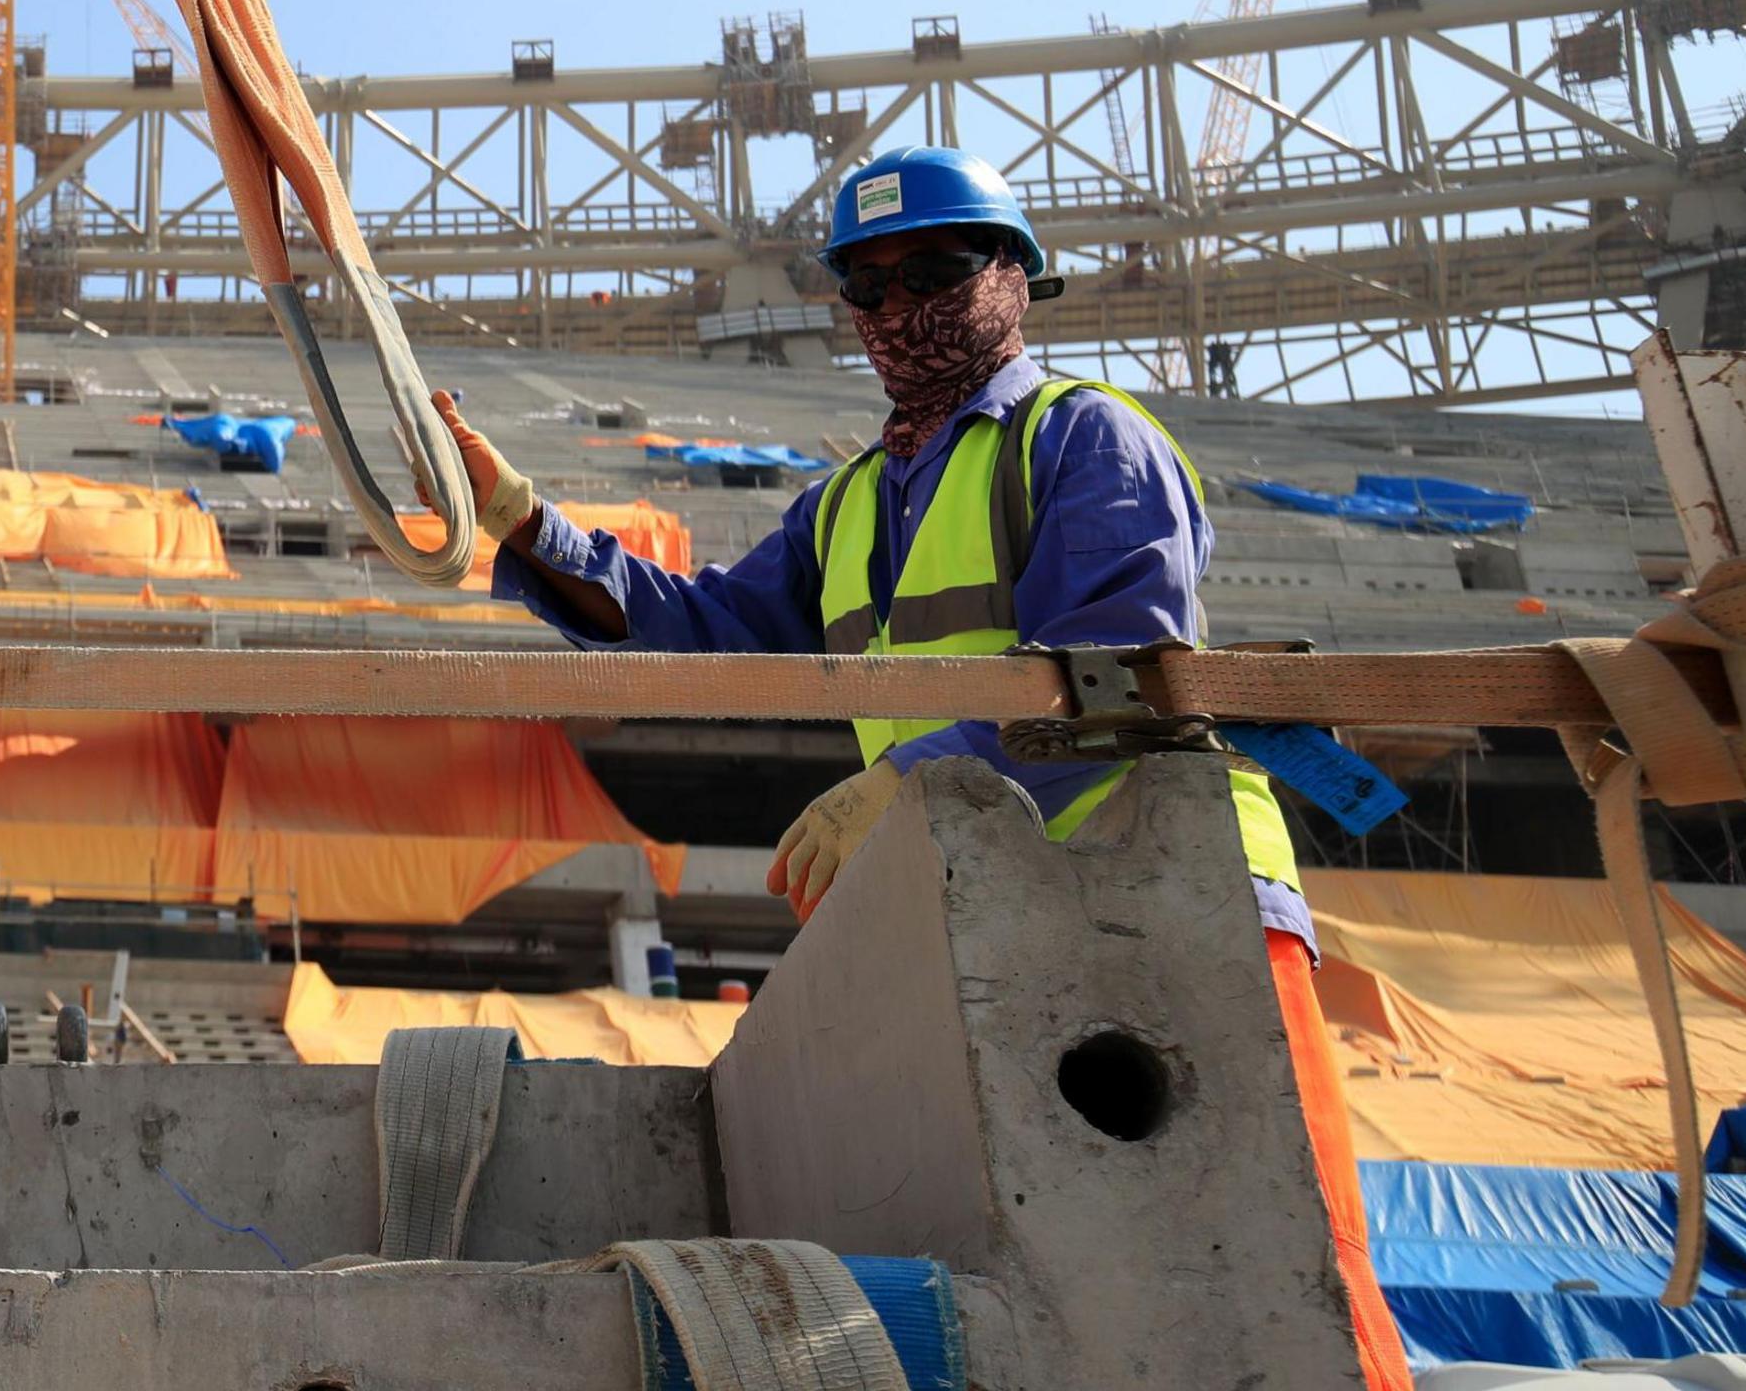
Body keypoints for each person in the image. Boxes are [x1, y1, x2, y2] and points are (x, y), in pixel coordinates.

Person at [428, 145, 1409, 1391]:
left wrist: (916, 782)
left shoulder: (1086, 438)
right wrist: (523, 521)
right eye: (869, 287)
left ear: (1014, 277)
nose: (899, 309)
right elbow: (700, 630)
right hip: (983, 924)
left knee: (1287, 1284)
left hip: (1174, 910)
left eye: (935, 271)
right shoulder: (844, 509)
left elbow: (1112, 664)